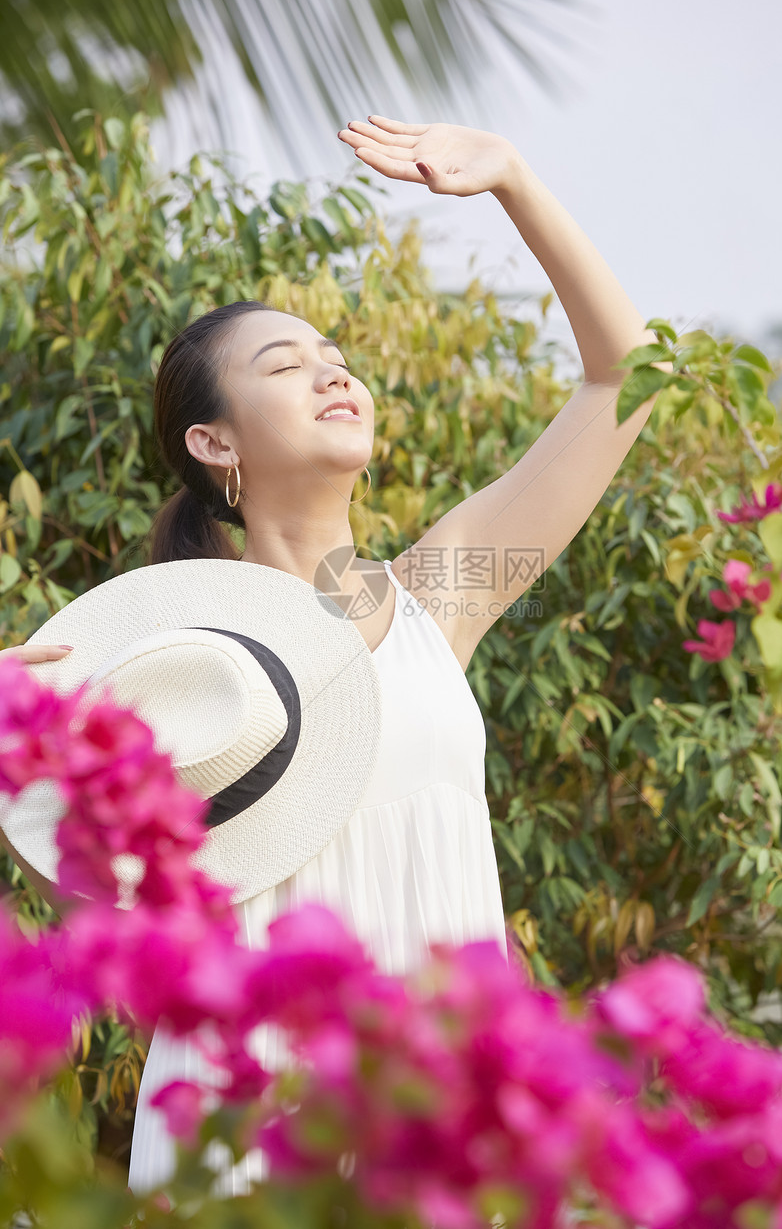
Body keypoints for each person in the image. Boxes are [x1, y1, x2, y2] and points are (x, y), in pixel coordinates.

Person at [0, 115, 671, 1199]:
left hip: (441, 1119)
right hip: (250, 1123)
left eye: (339, 360)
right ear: (214, 443)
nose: (332, 375)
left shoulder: (433, 598)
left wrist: (512, 180)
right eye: (285, 365)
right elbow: (113, 937)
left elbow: (624, 380)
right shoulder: (160, 671)